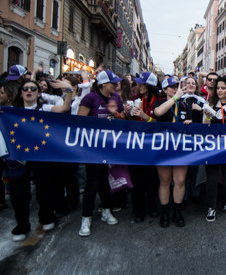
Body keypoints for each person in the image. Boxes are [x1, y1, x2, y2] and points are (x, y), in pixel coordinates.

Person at [9, 79, 74, 241]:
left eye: (33, 88)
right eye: (25, 88)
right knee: (19, 194)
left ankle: (46, 217)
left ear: (39, 93)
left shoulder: (45, 108)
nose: (29, 91)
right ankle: (22, 225)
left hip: (41, 155)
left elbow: (65, 108)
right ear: (21, 92)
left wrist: (69, 90)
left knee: (45, 189)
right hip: (19, 158)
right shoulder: (11, 111)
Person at [77, 70, 125, 237]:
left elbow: (123, 119)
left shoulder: (116, 98)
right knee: (92, 183)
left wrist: (114, 112)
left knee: (106, 181)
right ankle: (86, 217)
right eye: (113, 83)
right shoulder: (90, 98)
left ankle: (106, 210)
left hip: (110, 147)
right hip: (93, 148)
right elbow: (80, 120)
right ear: (103, 84)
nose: (116, 85)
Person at [202, 76, 226, 222]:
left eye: (223, 88)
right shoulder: (210, 104)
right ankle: (211, 207)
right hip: (212, 147)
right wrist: (207, 117)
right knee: (211, 179)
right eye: (218, 88)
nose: (219, 90)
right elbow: (204, 126)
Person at [154, 76, 191, 227]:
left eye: (177, 86)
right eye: (172, 86)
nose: (175, 88)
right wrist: (175, 98)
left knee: (180, 181)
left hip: (181, 148)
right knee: (164, 181)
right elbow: (158, 113)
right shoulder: (160, 102)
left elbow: (189, 122)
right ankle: (164, 211)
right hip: (163, 148)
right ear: (164, 90)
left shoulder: (183, 104)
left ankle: (177, 210)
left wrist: (189, 122)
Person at [127, 72, 162, 223]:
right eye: (138, 83)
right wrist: (126, 112)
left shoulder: (159, 101)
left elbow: (160, 123)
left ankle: (152, 206)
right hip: (135, 144)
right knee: (137, 179)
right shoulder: (135, 99)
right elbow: (129, 120)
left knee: (152, 179)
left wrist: (144, 116)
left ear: (150, 86)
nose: (138, 86)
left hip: (152, 146)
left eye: (142, 84)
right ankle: (138, 210)